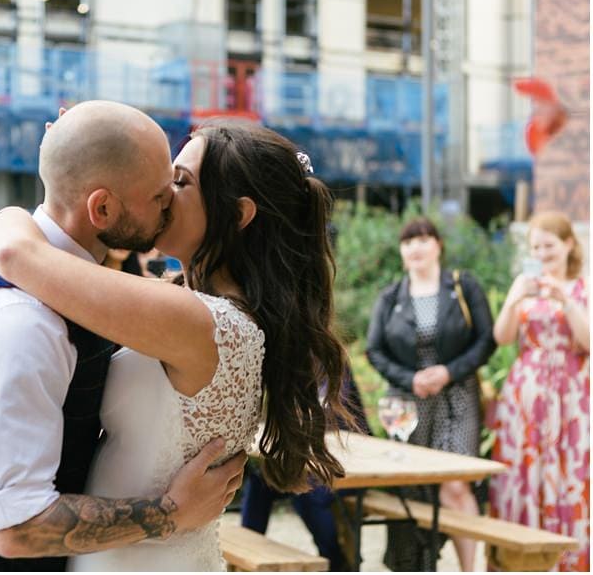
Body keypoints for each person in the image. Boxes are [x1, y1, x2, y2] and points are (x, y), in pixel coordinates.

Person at [0, 117, 353, 570]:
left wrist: (17, 207)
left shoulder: (198, 323)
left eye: (179, 181)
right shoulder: (213, 313)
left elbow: (15, 254)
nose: (161, 189)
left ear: (237, 215)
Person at [0, 101, 247, 572]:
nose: (169, 202)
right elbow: (16, 527)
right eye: (158, 196)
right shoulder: (21, 321)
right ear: (103, 207)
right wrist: (169, 514)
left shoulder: (70, 283)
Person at [365, 216, 496, 571]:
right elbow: (374, 350)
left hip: (457, 400)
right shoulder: (391, 296)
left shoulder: (463, 286)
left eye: (423, 239)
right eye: (408, 241)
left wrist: (448, 372)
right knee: (413, 490)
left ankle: (470, 568)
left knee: (455, 485)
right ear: (401, 251)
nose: (416, 247)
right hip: (407, 405)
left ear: (438, 244)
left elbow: (487, 339)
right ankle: (417, 564)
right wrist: (411, 379)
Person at [489, 211, 589, 572]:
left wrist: (566, 300)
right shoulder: (524, 284)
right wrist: (514, 298)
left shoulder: (582, 286)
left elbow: (588, 342)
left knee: (567, 470)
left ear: (568, 244)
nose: (543, 253)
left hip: (571, 396)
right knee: (523, 469)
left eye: (549, 245)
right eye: (536, 247)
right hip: (525, 393)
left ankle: (568, 558)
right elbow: (502, 338)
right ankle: (521, 558)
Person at [239, 371, 370, 571]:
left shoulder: (336, 370)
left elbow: (349, 424)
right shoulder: (289, 369)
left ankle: (337, 562)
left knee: (307, 492)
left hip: (344, 467)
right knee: (260, 482)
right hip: (305, 463)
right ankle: (245, 554)